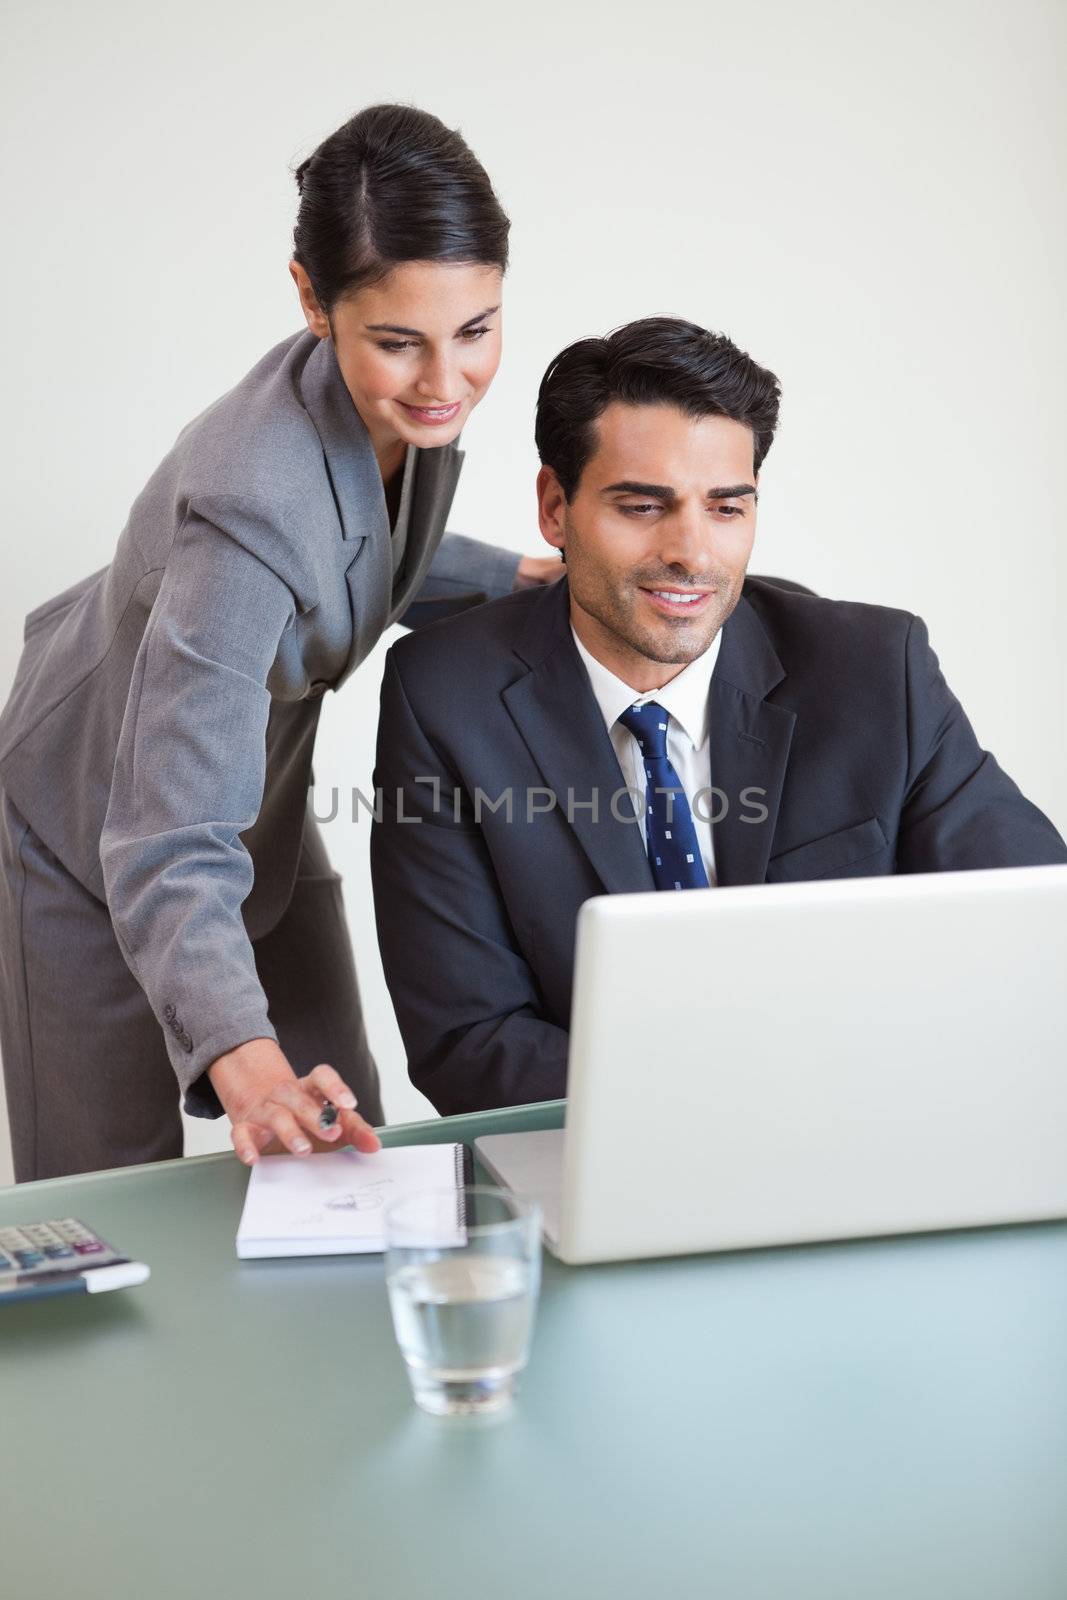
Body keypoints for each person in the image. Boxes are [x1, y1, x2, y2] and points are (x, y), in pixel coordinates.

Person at [0, 103, 558, 1182]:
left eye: (476, 330)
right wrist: (244, 1064)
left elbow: (354, 553)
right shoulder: (242, 511)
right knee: (114, 1196)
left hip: (252, 795)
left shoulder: (393, 405)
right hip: (94, 834)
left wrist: (521, 580)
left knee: (353, 1151)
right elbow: (163, 839)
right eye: (399, 342)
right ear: (312, 300)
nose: (445, 381)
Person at [370, 316, 1067, 1115]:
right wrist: (739, 1104)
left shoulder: (877, 670)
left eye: (727, 509)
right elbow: (468, 1043)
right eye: (642, 507)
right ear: (555, 508)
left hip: (868, 1131)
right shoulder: (444, 696)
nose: (692, 554)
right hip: (602, 1157)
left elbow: (1034, 939)